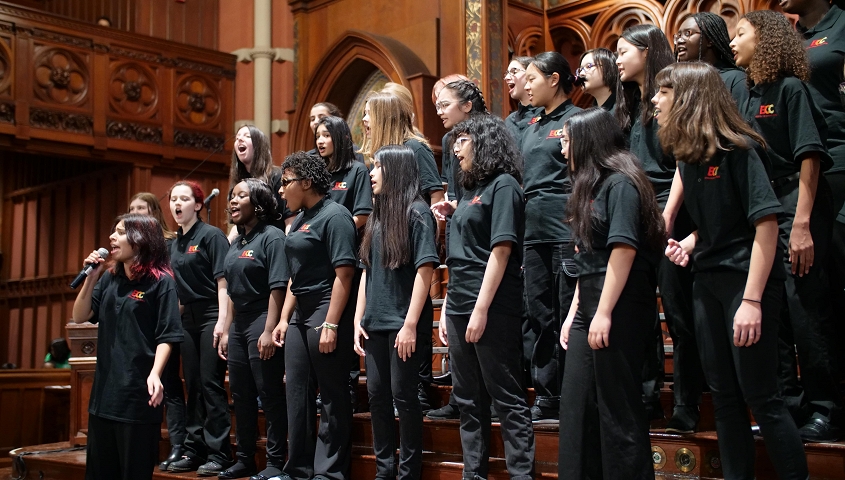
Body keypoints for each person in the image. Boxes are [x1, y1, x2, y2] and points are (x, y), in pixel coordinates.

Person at [655, 61, 809, 479]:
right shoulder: (688, 156)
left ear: (688, 97)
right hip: (709, 280)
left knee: (763, 397)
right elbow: (721, 223)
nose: (654, 100)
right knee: (722, 396)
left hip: (747, 282)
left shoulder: (740, 148)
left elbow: (765, 225)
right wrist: (690, 243)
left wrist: (752, 301)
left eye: (663, 92)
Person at [730, 9, 839, 442]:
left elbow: (809, 155)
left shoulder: (791, 88)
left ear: (768, 40)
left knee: (805, 307)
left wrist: (803, 224)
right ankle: (786, 404)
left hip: (796, 201)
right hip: (763, 209)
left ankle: (825, 407)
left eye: (741, 34)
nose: (733, 42)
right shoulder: (745, 93)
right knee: (772, 308)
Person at [558, 107, 664, 480]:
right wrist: (576, 312)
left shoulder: (621, 183)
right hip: (590, 303)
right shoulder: (590, 185)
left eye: (568, 141)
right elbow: (587, 256)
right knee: (577, 407)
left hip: (618, 304)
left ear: (588, 141)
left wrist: (602, 313)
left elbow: (624, 249)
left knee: (617, 409)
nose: (562, 150)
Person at [434, 114, 534, 480]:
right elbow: (461, 255)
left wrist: (480, 310)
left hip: (491, 306)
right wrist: (447, 308)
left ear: (484, 142)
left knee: (506, 397)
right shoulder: (468, 191)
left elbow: (501, 251)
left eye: (463, 140)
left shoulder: (505, 185)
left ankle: (521, 474)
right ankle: (472, 474)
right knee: (468, 400)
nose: (455, 148)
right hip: (460, 301)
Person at [71, 214, 183, 480]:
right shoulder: (109, 279)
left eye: (120, 232)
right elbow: (80, 315)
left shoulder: (162, 283)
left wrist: (156, 373)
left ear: (141, 240)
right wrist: (91, 278)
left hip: (137, 396)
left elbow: (167, 335)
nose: (112, 237)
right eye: (114, 231)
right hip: (104, 397)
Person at [353, 145, 439, 480]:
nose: (371, 173)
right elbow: (366, 271)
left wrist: (410, 325)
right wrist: (360, 318)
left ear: (396, 170)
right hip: (374, 324)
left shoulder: (417, 213)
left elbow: (425, 270)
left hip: (402, 323)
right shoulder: (376, 217)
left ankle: (409, 471)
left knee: (404, 396)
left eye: (377, 166)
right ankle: (384, 469)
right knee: (376, 396)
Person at [272, 152, 357, 480]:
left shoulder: (335, 216)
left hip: (326, 307)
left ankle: (329, 472)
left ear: (306, 182)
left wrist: (332, 323)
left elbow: (344, 274)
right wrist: (282, 319)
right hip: (300, 311)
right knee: (295, 392)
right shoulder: (300, 218)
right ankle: (298, 469)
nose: (281, 191)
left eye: (285, 183)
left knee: (333, 395)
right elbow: (296, 275)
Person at [614, 24, 678, 425]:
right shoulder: (634, 105)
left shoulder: (670, 96)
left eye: (623, 51)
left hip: (668, 212)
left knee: (677, 310)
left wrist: (668, 215)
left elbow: (680, 164)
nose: (617, 59)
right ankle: (646, 397)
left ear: (647, 50)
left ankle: (687, 400)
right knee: (639, 313)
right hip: (638, 213)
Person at [782, 0, 845, 388]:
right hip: (801, 168)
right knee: (811, 288)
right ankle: (826, 397)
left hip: (839, 161)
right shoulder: (789, 36)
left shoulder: (841, 25)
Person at [520, 50, 582, 422]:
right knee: (539, 314)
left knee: (565, 313)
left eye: (533, 78)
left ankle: (572, 392)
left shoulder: (576, 119)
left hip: (565, 226)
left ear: (554, 79)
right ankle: (546, 395)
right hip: (533, 229)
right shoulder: (531, 124)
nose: (526, 84)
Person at [427, 79, 490, 420]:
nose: (438, 111)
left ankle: (487, 397)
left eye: (444, 104)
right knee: (457, 326)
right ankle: (461, 396)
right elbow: (454, 189)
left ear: (467, 105)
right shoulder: (450, 139)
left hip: (485, 231)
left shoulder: (489, 134)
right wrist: (451, 207)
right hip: (459, 229)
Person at [219, 179, 288, 480]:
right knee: (241, 395)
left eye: (241, 196)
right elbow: (232, 290)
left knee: (269, 394)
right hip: (239, 323)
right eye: (232, 197)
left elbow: (278, 287)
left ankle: (274, 463)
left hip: (262, 317)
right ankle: (244, 458)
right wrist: (226, 329)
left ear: (258, 203)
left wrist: (268, 330)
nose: (233, 202)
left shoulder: (272, 237)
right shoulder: (237, 241)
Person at [163, 181, 233, 476]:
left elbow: (223, 282)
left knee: (210, 383)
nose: (177, 204)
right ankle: (194, 449)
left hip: (211, 313)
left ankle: (219, 453)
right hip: (186, 318)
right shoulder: (173, 244)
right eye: (173, 199)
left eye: (184, 199)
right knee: (192, 384)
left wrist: (222, 322)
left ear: (198, 204)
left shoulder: (211, 236)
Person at [316, 114, 373, 413]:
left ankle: (349, 386)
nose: (321, 141)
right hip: (319, 260)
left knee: (344, 320)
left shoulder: (357, 171)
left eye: (326, 135)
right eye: (318, 136)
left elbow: (363, 213)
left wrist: (330, 230)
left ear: (339, 137)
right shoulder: (317, 174)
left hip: (346, 256)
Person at [128, 192, 185, 470]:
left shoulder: (170, 243)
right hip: (140, 326)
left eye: (141, 209)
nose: (135, 214)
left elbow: (175, 284)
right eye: (131, 210)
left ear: (153, 211)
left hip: (165, 321)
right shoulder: (131, 249)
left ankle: (178, 445)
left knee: (170, 384)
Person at [360, 91, 444, 205]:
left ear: (385, 118)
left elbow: (436, 196)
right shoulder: (378, 154)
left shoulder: (415, 147)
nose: (364, 119)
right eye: (364, 113)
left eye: (369, 113)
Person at [673, 12, 749, 106]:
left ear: (710, 40)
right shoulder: (680, 81)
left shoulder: (735, 79)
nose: (680, 41)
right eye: (679, 36)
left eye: (687, 33)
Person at [229, 125, 291, 237]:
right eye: (237, 138)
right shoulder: (238, 182)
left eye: (247, 136)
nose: (240, 139)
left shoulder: (276, 176)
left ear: (259, 145)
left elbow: (290, 218)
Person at [504, 56, 537, 141]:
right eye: (507, 73)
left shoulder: (545, 114)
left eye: (514, 71)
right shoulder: (509, 121)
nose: (507, 78)